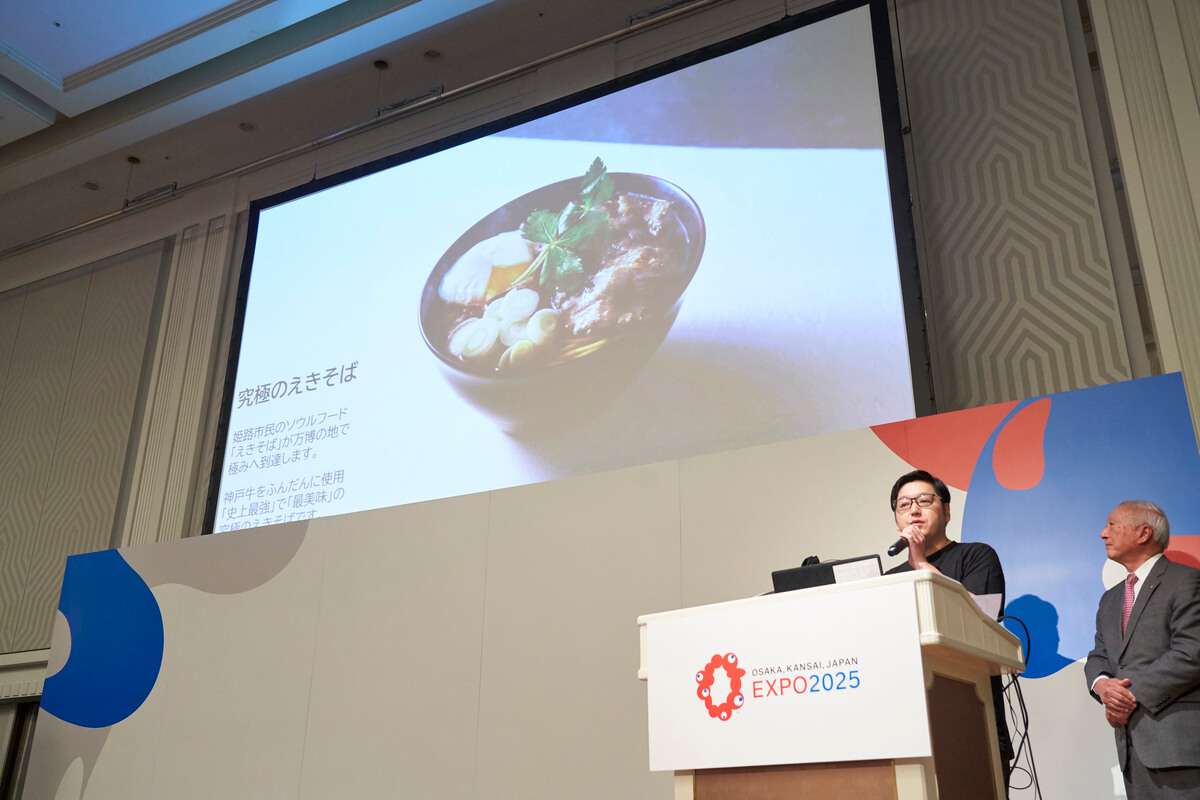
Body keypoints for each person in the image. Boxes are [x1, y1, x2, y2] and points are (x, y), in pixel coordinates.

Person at [884, 469, 1014, 791]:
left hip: (971, 719)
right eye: (904, 505)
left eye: (924, 501)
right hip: (910, 724)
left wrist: (922, 566)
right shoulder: (889, 578)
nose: (914, 510)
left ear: (947, 511)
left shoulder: (976, 556)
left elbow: (981, 618)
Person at [1084, 501, 1200, 798]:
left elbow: (1192, 651)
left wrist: (1128, 695)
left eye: (1112, 525)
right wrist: (1103, 686)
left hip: (1179, 749)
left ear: (1144, 532)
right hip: (1131, 750)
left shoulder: (1187, 581)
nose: (1102, 533)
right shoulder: (1110, 600)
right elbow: (1099, 656)